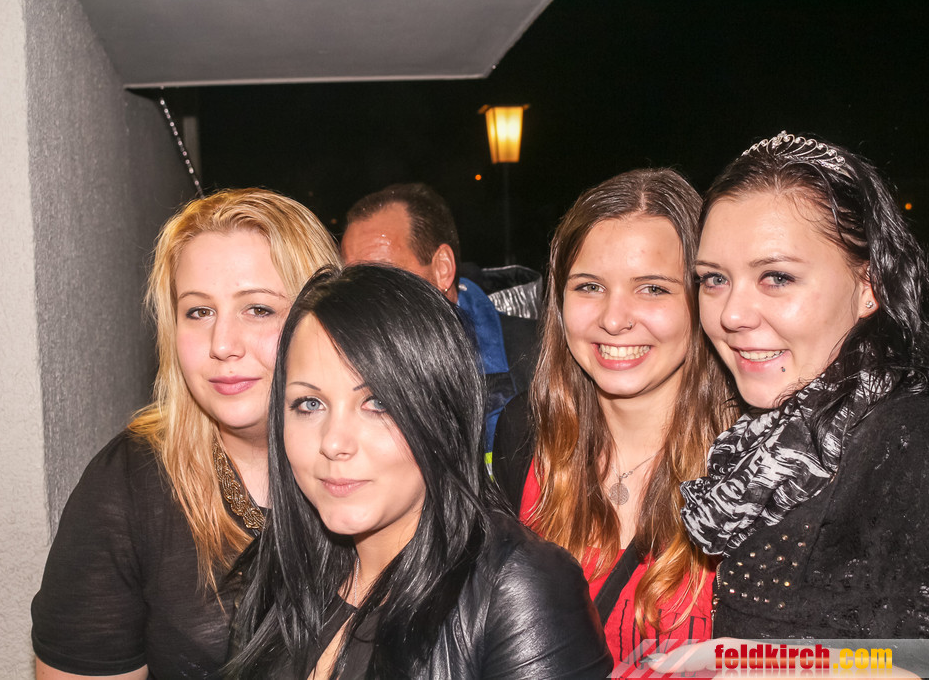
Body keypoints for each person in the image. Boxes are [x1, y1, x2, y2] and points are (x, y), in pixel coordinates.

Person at [681, 130, 929, 638]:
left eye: (777, 277)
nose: (731, 314)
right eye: (714, 279)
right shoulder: (764, 441)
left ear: (869, 286)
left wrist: (776, 666)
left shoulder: (926, 454)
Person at [226, 264, 611, 679]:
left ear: (442, 414)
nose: (334, 442)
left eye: (378, 403)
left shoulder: (520, 591)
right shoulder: (278, 570)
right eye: (310, 404)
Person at [31, 189, 340, 678]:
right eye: (199, 311)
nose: (222, 344)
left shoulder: (394, 456)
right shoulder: (129, 486)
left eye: (258, 309)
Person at [492, 169, 736, 668]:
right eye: (589, 286)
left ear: (702, 299)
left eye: (652, 289)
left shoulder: (755, 465)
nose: (613, 318)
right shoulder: (525, 435)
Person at [341, 183, 539, 456]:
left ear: (442, 269)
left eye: (384, 278)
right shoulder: (340, 363)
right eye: (350, 282)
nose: (362, 299)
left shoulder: (539, 359)